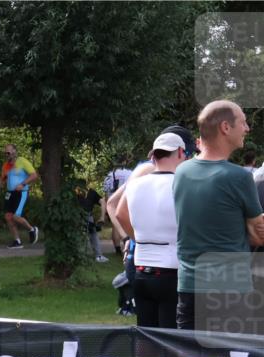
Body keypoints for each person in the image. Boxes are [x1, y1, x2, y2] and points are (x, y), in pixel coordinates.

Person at [172, 100, 264, 330]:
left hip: (189, 285)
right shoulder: (238, 177)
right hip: (229, 290)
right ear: (225, 127)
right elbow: (258, 236)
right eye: (243, 122)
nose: (247, 128)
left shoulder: (182, 171)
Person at [115, 132, 188, 327]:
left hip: (141, 269)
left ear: (153, 156)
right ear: (180, 152)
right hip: (171, 270)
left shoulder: (135, 184)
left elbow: (120, 214)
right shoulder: (182, 184)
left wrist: (138, 238)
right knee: (169, 339)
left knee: (146, 337)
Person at [0, 144, 39, 249]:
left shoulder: (22, 161)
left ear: (14, 152)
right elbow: (2, 179)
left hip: (21, 193)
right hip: (10, 193)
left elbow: (34, 175)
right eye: (5, 153)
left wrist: (23, 184)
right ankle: (17, 241)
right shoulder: (5, 166)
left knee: (15, 216)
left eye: (8, 152)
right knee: (8, 217)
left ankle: (32, 229)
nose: (6, 155)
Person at [75, 185, 107, 262]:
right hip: (87, 215)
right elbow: (103, 201)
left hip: (75, 215)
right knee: (93, 234)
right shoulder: (90, 191)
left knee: (83, 234)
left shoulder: (74, 190)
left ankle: (79, 256)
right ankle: (98, 256)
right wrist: (102, 217)